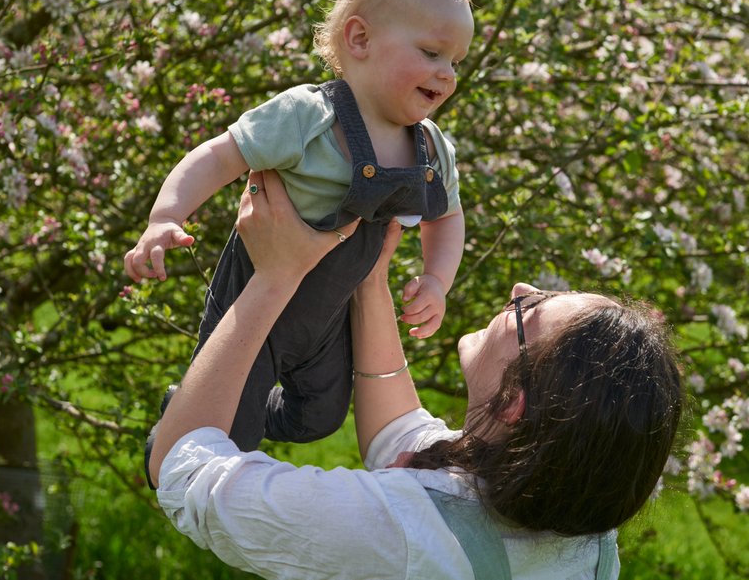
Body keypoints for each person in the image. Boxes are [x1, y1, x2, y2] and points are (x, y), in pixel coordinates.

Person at [149, 170, 686, 579]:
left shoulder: (399, 534)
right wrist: (370, 277)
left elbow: (186, 473)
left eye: (537, 309)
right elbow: (403, 438)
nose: (522, 288)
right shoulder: (582, 527)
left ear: (513, 403)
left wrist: (274, 277)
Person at [125, 0, 472, 466]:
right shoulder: (309, 116)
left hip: (329, 315)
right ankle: (184, 421)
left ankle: (203, 404)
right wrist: (165, 218)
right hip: (255, 299)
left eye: (455, 62)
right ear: (359, 40)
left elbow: (448, 216)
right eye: (431, 53)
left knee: (320, 418)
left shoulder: (430, 148)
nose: (446, 74)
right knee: (229, 436)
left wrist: (436, 279)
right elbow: (218, 156)